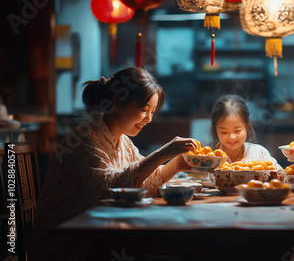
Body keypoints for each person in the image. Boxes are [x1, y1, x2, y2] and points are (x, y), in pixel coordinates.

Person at [28, 68, 199, 260]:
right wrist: (162, 153)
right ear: (117, 102)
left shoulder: (122, 141)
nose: (149, 119)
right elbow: (111, 191)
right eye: (144, 110)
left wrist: (176, 164)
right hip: (66, 246)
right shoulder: (83, 139)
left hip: (99, 237)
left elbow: (142, 179)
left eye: (152, 112)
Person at [210, 94, 282, 169]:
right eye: (224, 132)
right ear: (215, 129)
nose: (232, 137)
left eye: (237, 131)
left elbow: (281, 175)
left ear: (246, 126)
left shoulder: (260, 154)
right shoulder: (207, 157)